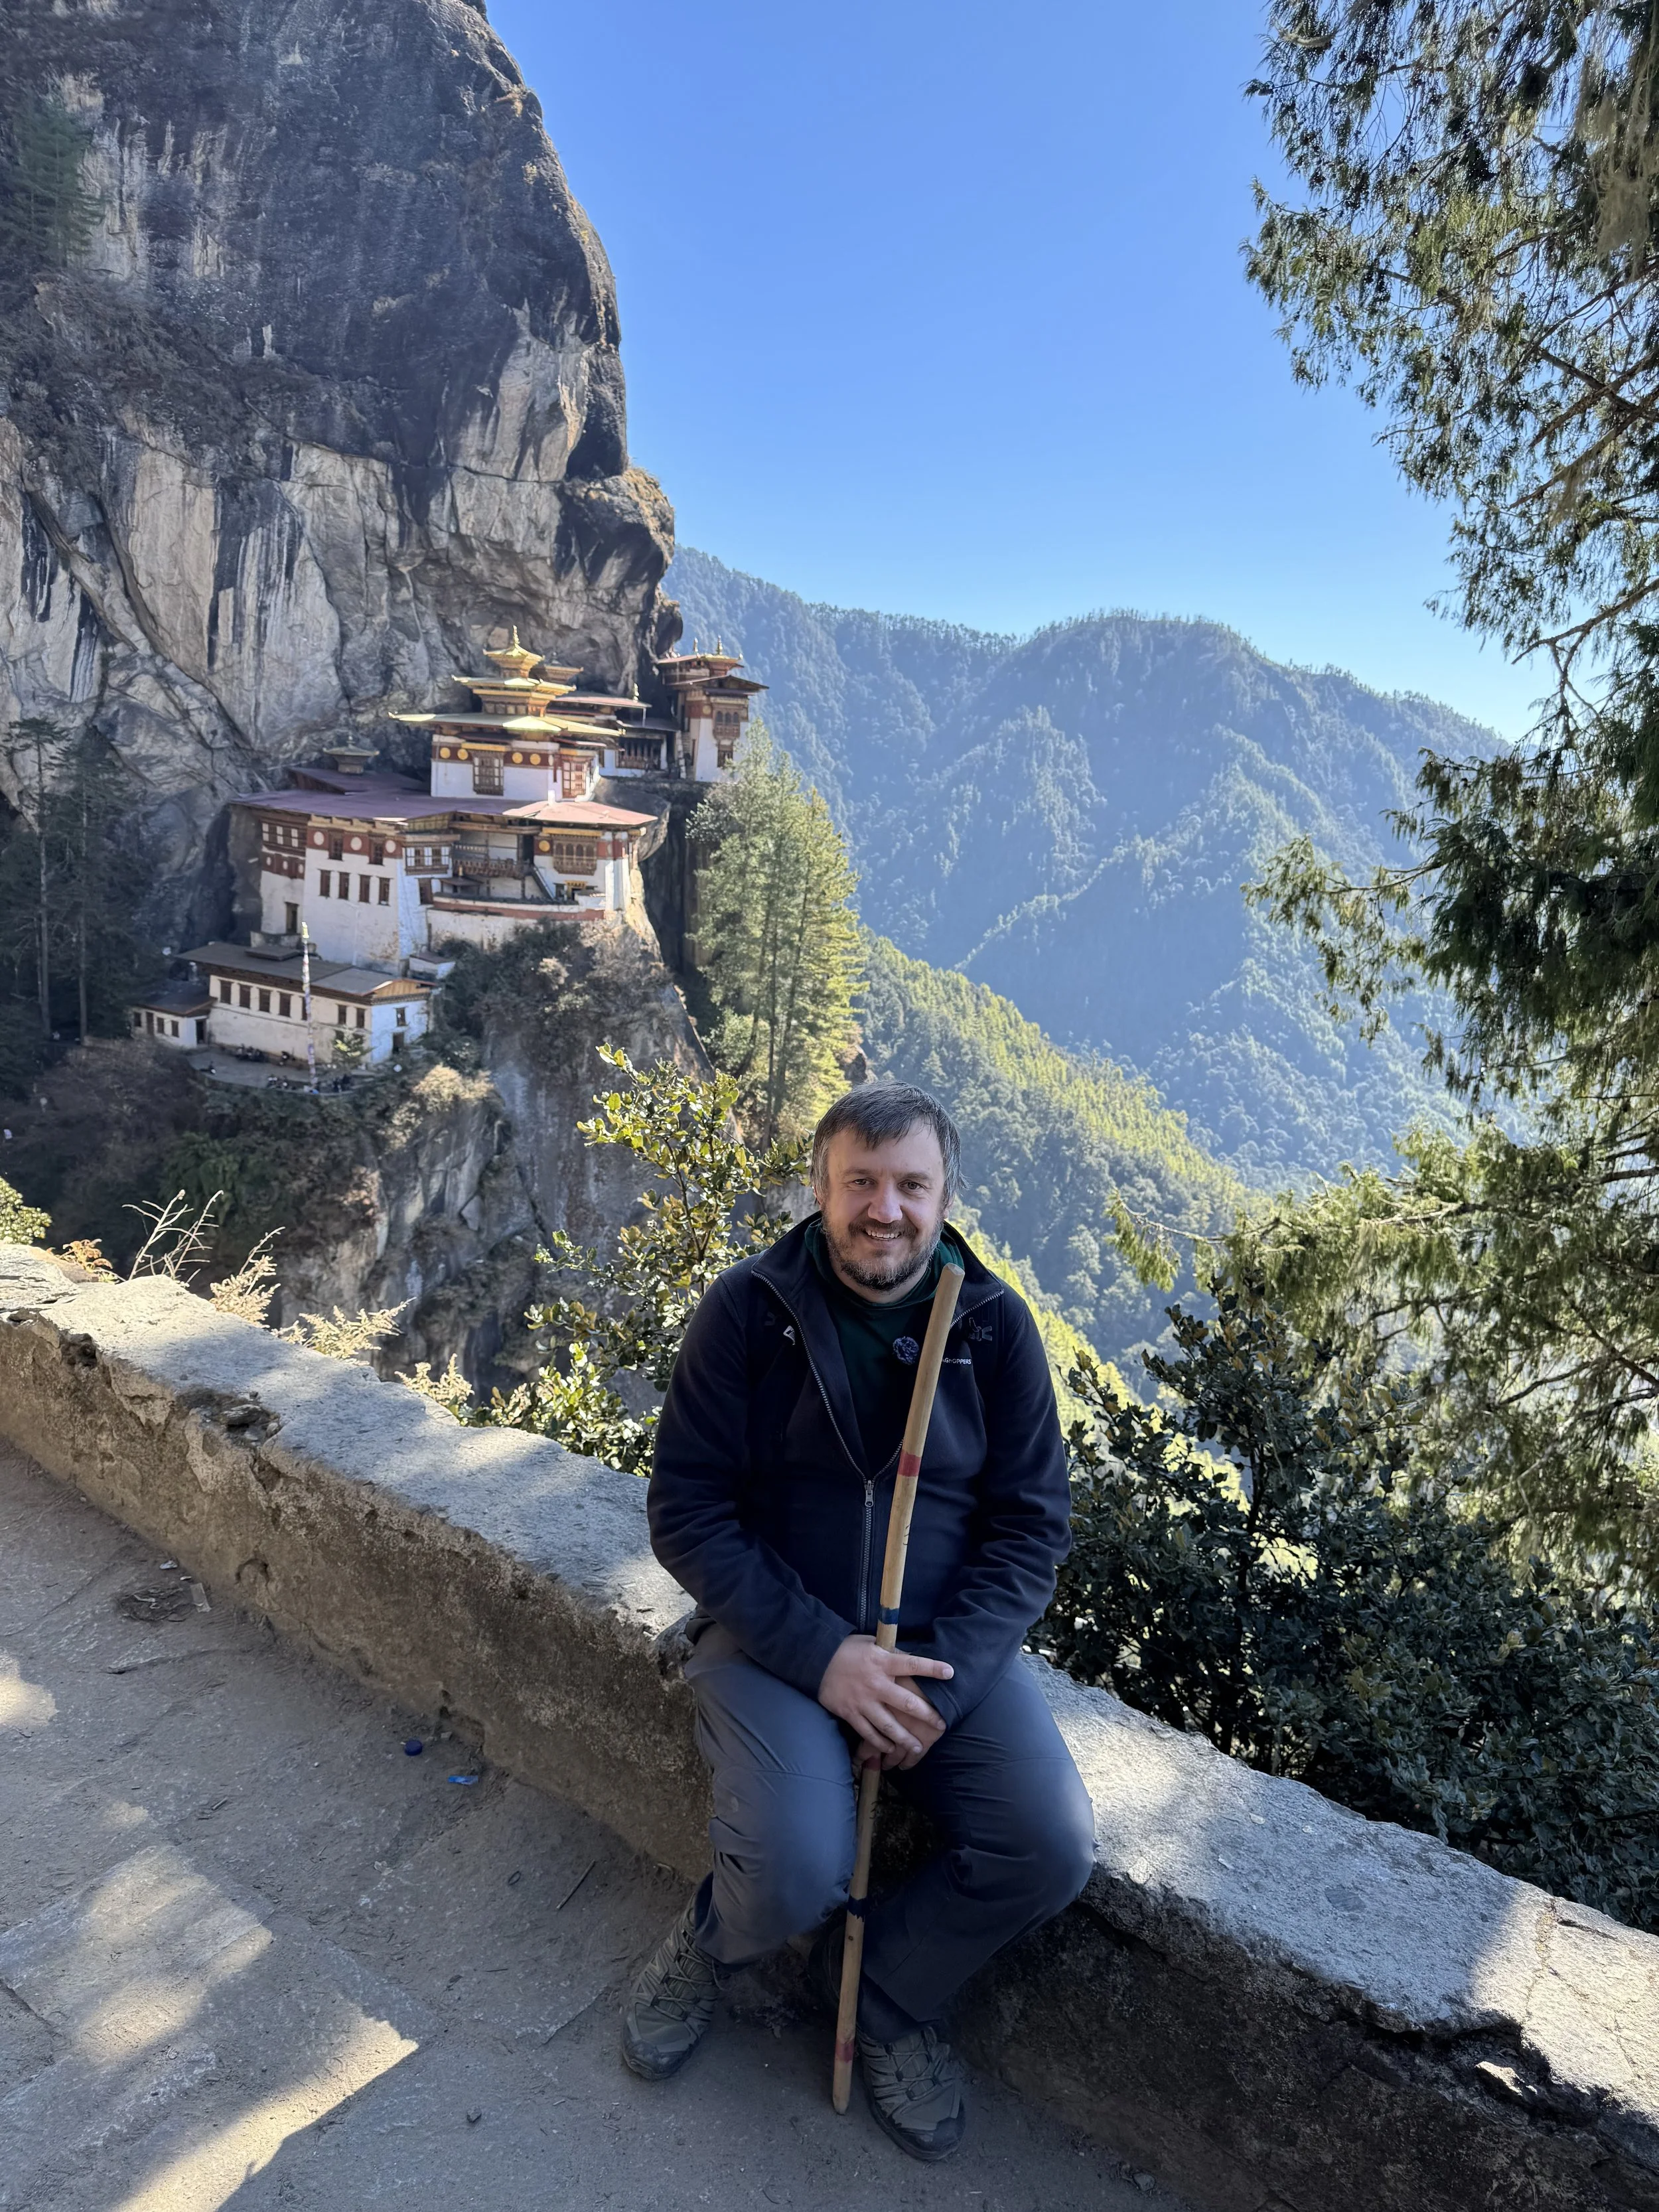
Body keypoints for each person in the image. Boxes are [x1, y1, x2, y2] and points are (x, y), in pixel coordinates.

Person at [622, 1084, 1094, 2161]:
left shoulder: (992, 1328)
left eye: (911, 1186)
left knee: (1047, 1845)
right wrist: (824, 1656)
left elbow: (1032, 1532)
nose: (886, 1210)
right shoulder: (748, 1312)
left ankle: (878, 1992)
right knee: (795, 1863)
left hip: (937, 1650)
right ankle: (715, 1943)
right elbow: (688, 1513)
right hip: (771, 1635)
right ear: (821, 1190)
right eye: (862, 1183)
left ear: (945, 1197)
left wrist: (942, 1686)